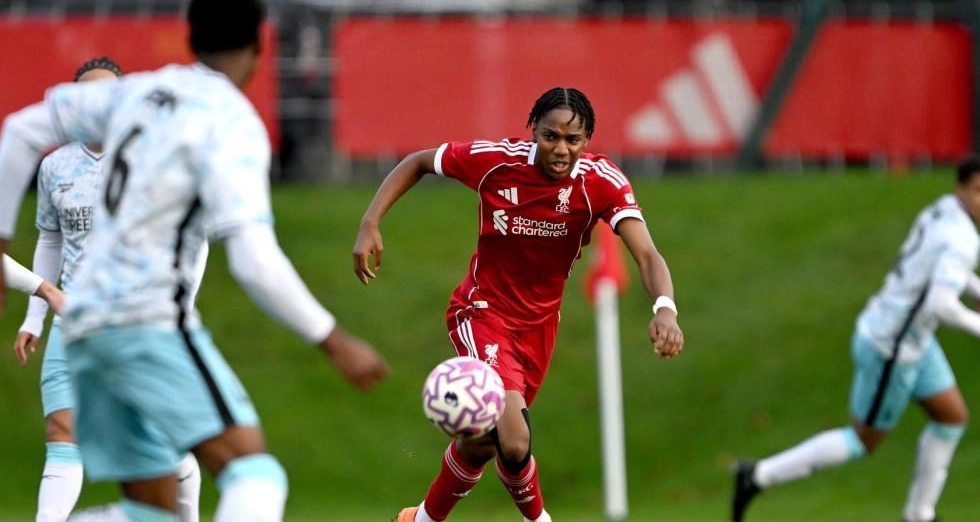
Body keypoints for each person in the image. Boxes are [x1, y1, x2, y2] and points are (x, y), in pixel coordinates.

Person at [0, 0, 389, 522]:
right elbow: (253, 260)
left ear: (190, 38)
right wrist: (333, 338)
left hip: (84, 329)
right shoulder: (231, 124)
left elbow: (18, 132)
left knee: (155, 512)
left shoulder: (136, 92)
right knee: (255, 477)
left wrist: (0, 241)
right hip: (146, 322)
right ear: (260, 44)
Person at [353, 86, 685, 522]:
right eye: (550, 136)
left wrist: (664, 307)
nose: (561, 149)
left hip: (539, 329)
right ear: (534, 131)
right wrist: (369, 222)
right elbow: (418, 161)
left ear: (587, 141)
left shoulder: (601, 183)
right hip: (482, 312)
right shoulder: (497, 162)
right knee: (513, 440)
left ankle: (421, 519)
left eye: (573, 140)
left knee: (483, 441)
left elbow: (647, 253)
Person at [731, 156, 980, 522]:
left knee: (952, 417)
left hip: (913, 337)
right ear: (961, 189)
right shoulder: (962, 238)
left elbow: (934, 273)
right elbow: (940, 302)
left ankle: (920, 513)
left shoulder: (942, 211)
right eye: (977, 190)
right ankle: (758, 475)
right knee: (863, 441)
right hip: (892, 345)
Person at [11, 57, 203, 522]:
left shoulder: (155, 158)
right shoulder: (55, 166)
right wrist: (35, 316)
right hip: (73, 318)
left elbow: (193, 240)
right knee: (63, 430)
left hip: (142, 319)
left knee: (158, 438)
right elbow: (50, 239)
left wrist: (181, 309)